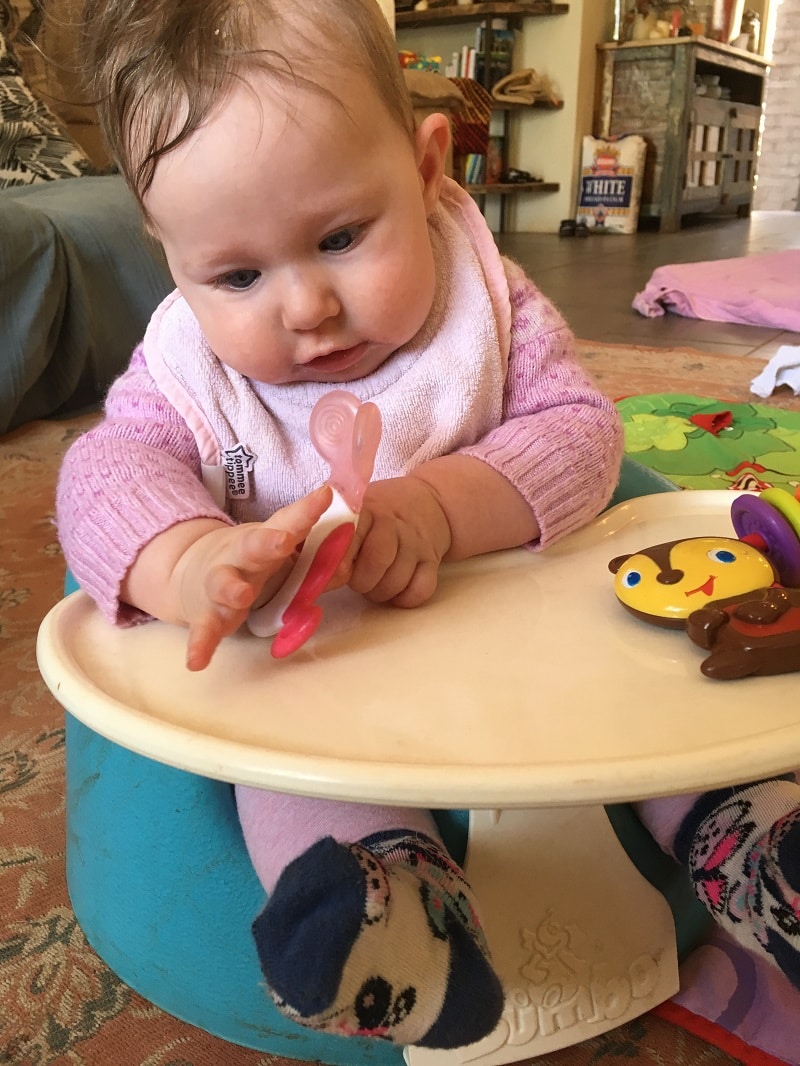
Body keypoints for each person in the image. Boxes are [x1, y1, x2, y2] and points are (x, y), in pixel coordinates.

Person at [56, 0, 799, 1052]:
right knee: (270, 747)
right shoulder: (187, 372)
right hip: (320, 667)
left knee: (635, 680)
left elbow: (582, 436)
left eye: (341, 237)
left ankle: (746, 841)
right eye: (237, 275)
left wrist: (447, 507)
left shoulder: (483, 303)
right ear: (169, 256)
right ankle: (390, 921)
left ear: (426, 168)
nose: (305, 305)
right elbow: (103, 470)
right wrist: (190, 560)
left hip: (520, 623)